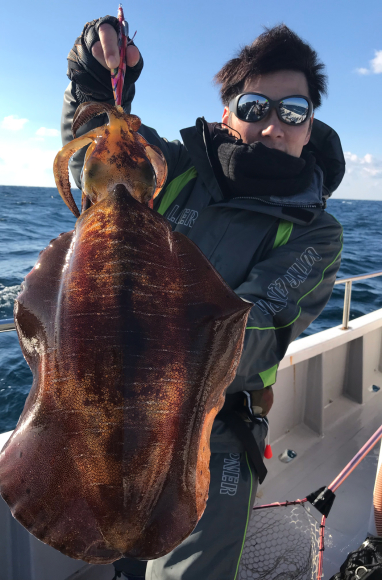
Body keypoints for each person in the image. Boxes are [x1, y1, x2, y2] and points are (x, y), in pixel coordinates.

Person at [60, 19, 345, 580]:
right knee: (120, 556)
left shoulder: (316, 232)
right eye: (255, 106)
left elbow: (260, 327)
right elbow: (90, 166)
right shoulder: (171, 169)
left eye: (293, 112)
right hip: (107, 409)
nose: (272, 126)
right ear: (227, 114)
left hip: (212, 430)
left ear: (310, 126)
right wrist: (94, 77)